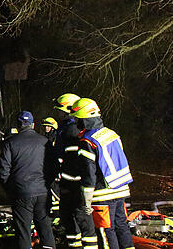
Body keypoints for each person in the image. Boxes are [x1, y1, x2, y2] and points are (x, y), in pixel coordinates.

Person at [71, 98, 135, 249]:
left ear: (84, 119)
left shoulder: (87, 141)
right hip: (121, 190)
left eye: (77, 118)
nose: (76, 122)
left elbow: (89, 174)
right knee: (122, 227)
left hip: (103, 195)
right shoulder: (112, 134)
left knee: (106, 231)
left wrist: (86, 201)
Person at [0, 111, 56, 249]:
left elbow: (3, 170)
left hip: (21, 193)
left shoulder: (10, 143)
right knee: (46, 230)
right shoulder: (45, 142)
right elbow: (53, 167)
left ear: (18, 125)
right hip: (42, 192)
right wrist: (47, 184)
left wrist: (10, 188)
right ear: (33, 125)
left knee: (23, 232)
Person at [52, 93, 96, 249]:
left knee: (84, 223)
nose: (57, 114)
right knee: (68, 221)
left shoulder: (72, 131)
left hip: (74, 186)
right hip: (67, 185)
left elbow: (72, 161)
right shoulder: (66, 130)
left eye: (60, 111)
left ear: (68, 111)